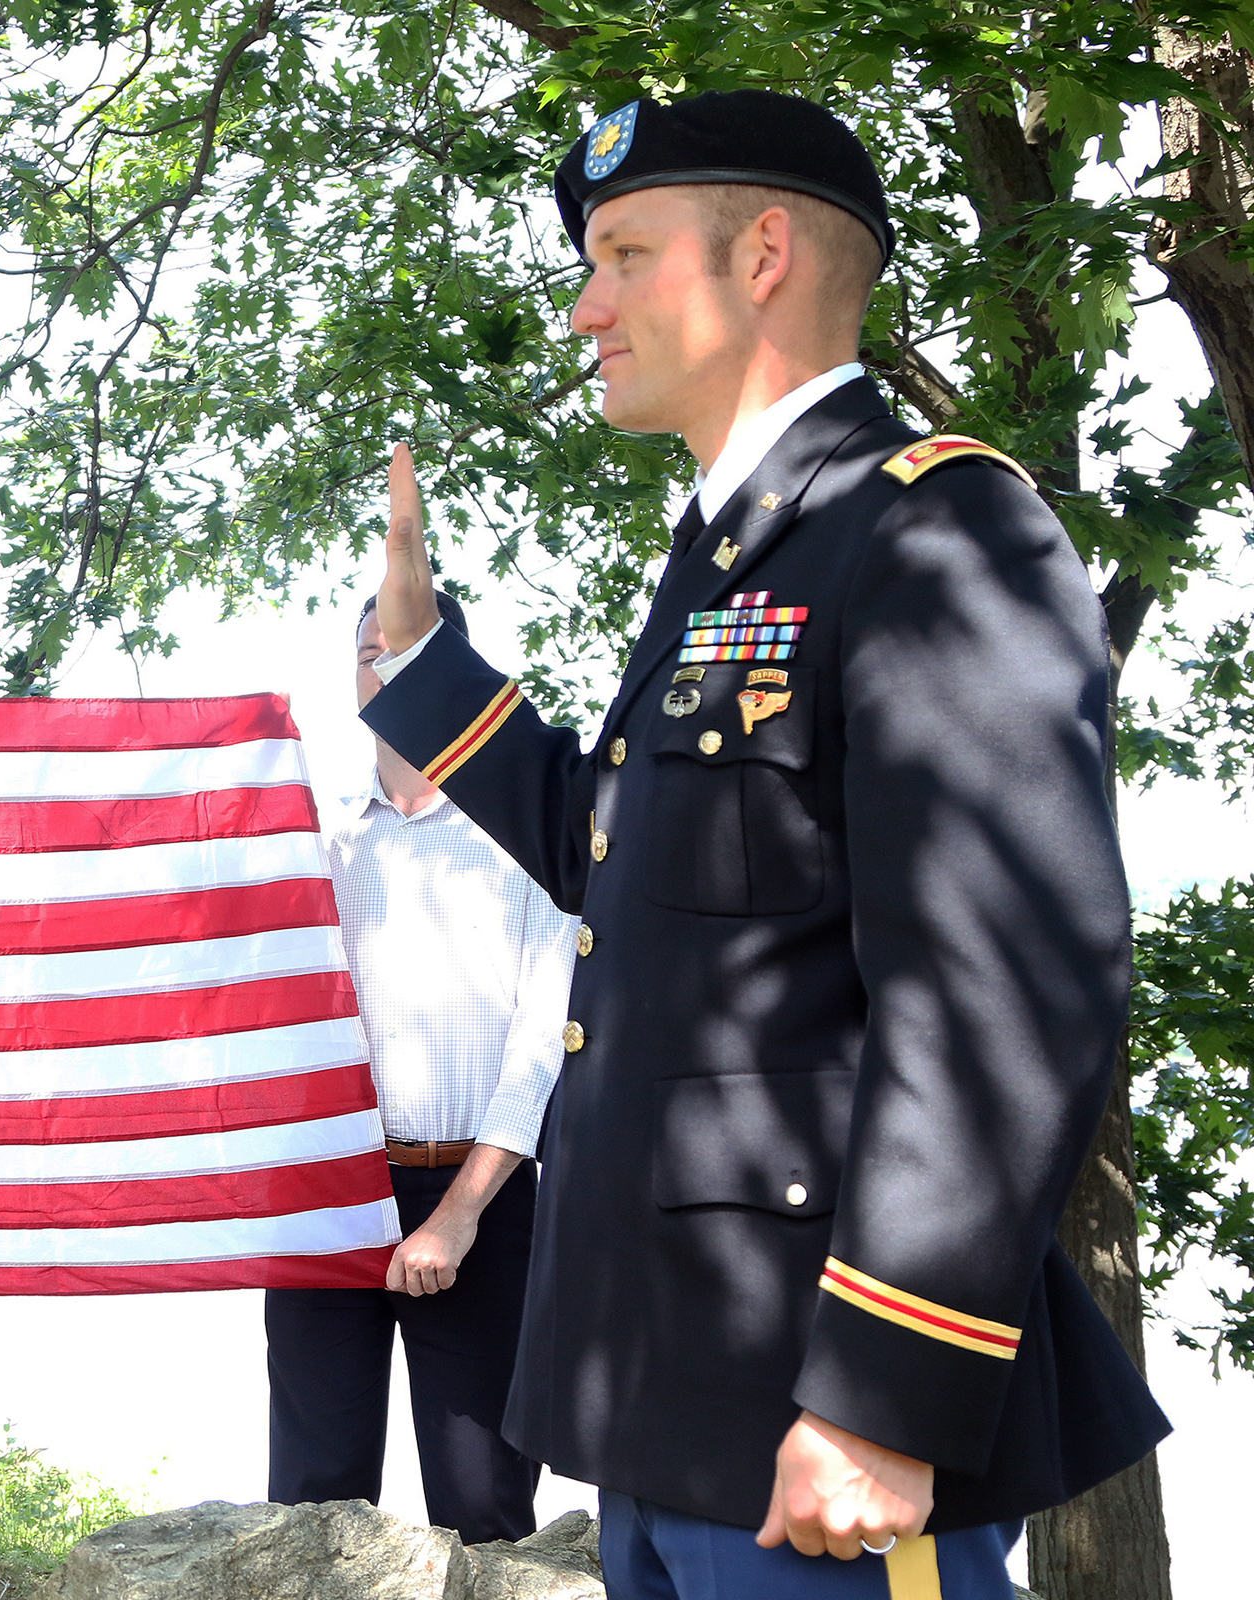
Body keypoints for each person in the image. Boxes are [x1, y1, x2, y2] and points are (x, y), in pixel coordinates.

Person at [359, 90, 1168, 1599]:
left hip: (826, 1424)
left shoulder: (932, 528)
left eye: (623, 255)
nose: (585, 309)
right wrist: (424, 674)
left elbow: (1008, 986)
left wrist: (886, 1388)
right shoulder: (729, 555)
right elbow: (632, 872)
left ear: (766, 255)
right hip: (669, 1397)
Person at [267, 589, 578, 1543]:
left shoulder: (529, 842)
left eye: (407, 652)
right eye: (369, 652)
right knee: (312, 1504)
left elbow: (541, 1048)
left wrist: (459, 1213)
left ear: (454, 677)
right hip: (326, 1197)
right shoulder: (313, 845)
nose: (384, 669)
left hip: (483, 1199)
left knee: (483, 1507)